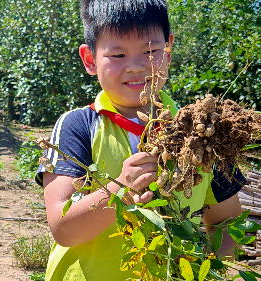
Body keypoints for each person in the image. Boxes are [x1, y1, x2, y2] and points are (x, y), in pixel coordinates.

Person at [35, 0, 245, 280]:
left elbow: (226, 223)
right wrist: (119, 189)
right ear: (89, 59)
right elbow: (63, 228)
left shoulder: (204, 130)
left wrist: (206, 269)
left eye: (150, 51)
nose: (136, 66)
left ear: (168, 50)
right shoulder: (78, 126)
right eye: (118, 55)